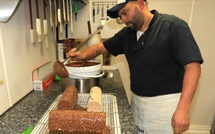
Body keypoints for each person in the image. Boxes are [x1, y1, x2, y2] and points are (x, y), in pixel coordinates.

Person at [67, 0, 203, 133]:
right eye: (120, 17)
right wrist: (81, 55)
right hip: (137, 103)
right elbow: (100, 48)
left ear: (140, 4)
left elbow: (193, 67)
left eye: (125, 13)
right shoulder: (127, 34)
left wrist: (183, 109)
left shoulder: (172, 26)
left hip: (166, 107)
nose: (123, 20)